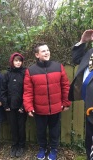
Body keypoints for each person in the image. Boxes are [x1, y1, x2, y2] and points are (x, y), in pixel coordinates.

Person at [23, 42, 71, 160]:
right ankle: (42, 148)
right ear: (37, 55)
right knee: (40, 131)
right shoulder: (31, 71)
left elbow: (65, 86)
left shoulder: (58, 67)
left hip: (56, 108)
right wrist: (28, 107)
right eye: (43, 51)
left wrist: (66, 103)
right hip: (39, 109)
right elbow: (28, 91)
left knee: (54, 131)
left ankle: (54, 149)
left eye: (48, 50)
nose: (47, 52)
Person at [68, 29, 93, 160]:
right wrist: (82, 42)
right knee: (90, 138)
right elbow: (76, 59)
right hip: (89, 103)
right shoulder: (90, 52)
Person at [0, 53, 27, 158]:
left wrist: (23, 106)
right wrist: (5, 104)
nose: (18, 62)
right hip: (10, 106)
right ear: (12, 62)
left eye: (20, 61)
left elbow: (28, 91)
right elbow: (3, 90)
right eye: (16, 61)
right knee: (13, 127)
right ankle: (14, 145)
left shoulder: (25, 73)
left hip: (21, 106)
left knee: (21, 127)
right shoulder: (7, 74)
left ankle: (21, 146)